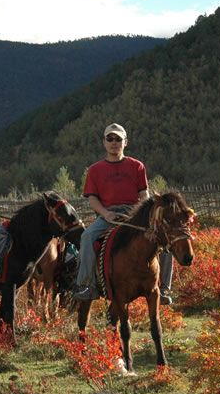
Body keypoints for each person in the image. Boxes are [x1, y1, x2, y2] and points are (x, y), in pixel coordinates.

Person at [72, 124, 175, 305]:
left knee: (164, 239)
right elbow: (92, 199)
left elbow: (144, 195)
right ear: (104, 142)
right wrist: (106, 214)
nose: (114, 143)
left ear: (125, 142)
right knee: (87, 237)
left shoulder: (137, 166)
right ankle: (86, 285)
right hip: (107, 214)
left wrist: (141, 214)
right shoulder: (95, 170)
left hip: (133, 213)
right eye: (110, 139)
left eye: (118, 139)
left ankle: (164, 287)